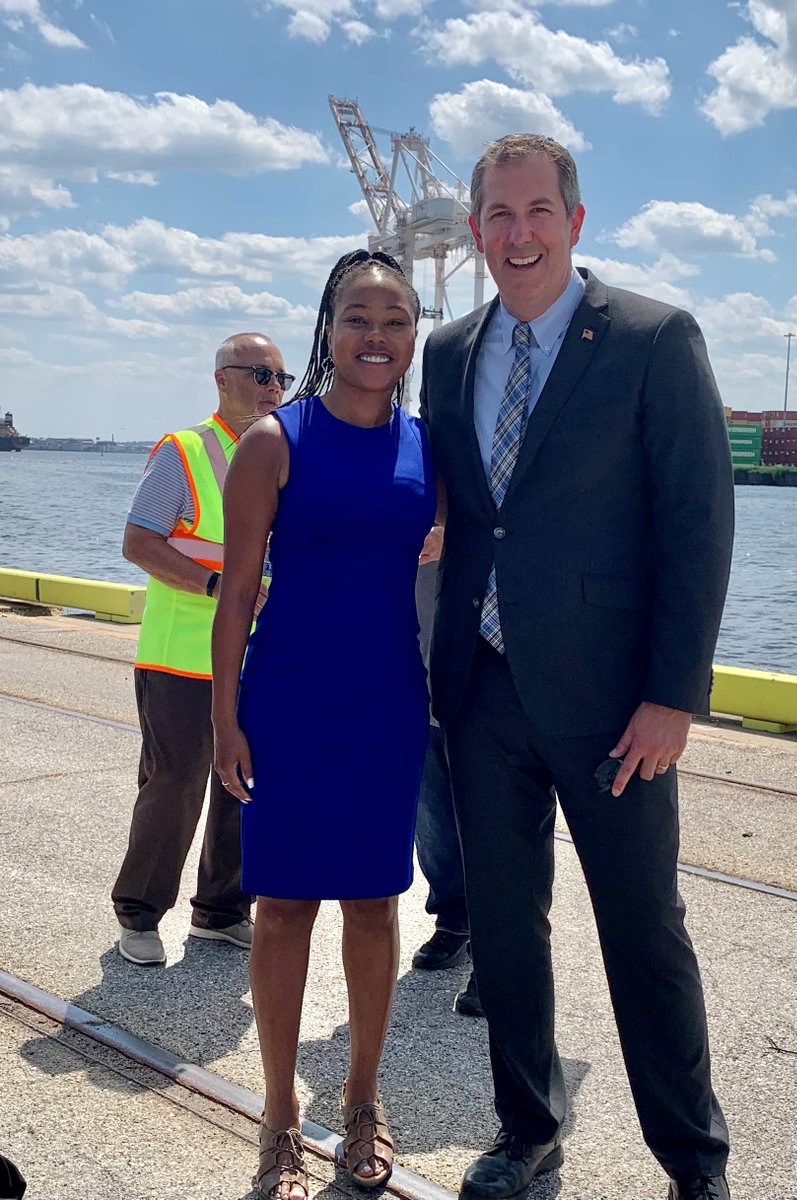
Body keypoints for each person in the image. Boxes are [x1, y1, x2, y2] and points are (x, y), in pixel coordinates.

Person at [420, 134, 735, 1200]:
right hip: (481, 691)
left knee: (643, 932)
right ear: (475, 231)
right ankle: (526, 1130)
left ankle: (693, 1161)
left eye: (537, 212)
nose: (518, 235)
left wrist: (672, 696)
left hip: (613, 705)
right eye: (498, 216)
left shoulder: (651, 337)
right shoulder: (448, 351)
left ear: (575, 220)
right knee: (506, 934)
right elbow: (462, 513)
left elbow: (696, 523)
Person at [211, 250, 438, 1198]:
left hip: (387, 703)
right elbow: (236, 595)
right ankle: (277, 1116)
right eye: (358, 318)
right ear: (328, 329)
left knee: (374, 905)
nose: (375, 337)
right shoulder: (275, 440)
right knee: (282, 910)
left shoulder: (430, 446)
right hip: (290, 701)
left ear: (414, 335)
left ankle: (360, 1100)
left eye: (394, 320)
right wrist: (225, 717)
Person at [111, 332, 291, 966]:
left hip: (257, 660)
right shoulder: (183, 452)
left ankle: (222, 911)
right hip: (181, 657)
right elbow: (139, 542)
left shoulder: (282, 455)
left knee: (245, 785)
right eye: (261, 374)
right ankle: (139, 913)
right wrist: (217, 585)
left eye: (281, 377)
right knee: (176, 785)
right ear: (222, 379)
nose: (274, 388)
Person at [411, 560, 482, 1018]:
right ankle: (454, 917)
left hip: (485, 676)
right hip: (413, 672)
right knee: (431, 813)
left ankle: (501, 954)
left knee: (496, 822)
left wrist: (450, 531)